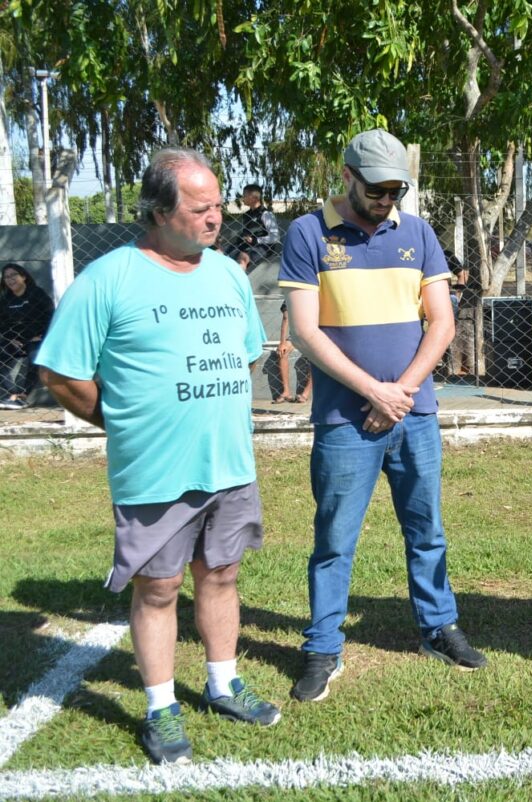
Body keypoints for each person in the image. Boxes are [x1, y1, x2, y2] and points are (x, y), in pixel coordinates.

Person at [35, 149, 278, 765]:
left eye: (218, 205)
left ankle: (224, 683)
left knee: (221, 574)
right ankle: (161, 707)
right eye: (200, 208)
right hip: (155, 469)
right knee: (160, 588)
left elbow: (248, 351)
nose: (215, 218)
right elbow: (61, 373)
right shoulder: (109, 278)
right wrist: (123, 420)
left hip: (228, 461)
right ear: (160, 211)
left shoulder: (226, 273)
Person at [279, 128, 486, 703]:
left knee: (427, 532)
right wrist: (374, 391)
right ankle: (323, 647)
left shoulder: (417, 233)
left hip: (414, 417)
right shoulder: (307, 233)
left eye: (396, 190)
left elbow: (441, 323)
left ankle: (438, 628)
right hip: (346, 424)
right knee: (334, 539)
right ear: (346, 176)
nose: (386, 200)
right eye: (376, 189)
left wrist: (401, 393)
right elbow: (305, 330)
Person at [0, 263, 53, 408]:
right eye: (6, 277)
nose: (10, 279)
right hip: (15, 340)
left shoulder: (36, 294)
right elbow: (2, 323)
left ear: (23, 276)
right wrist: (10, 338)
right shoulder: (5, 299)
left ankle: (23, 396)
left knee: (36, 358)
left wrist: (43, 335)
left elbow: (50, 315)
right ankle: (13, 394)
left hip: (37, 338)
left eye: (13, 275)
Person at [225, 184, 281, 272]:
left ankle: (239, 280)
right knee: (223, 253)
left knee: (243, 258)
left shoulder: (266, 214)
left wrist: (256, 240)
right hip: (247, 244)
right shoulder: (247, 214)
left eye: (245, 195)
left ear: (254, 198)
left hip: (263, 246)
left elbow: (275, 237)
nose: (243, 198)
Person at [270, 301, 312, 403]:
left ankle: (306, 392)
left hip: (313, 334)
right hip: (297, 335)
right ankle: (286, 392)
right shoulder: (290, 298)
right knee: (283, 352)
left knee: (318, 357)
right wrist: (282, 342)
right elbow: (286, 318)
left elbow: (286, 318)